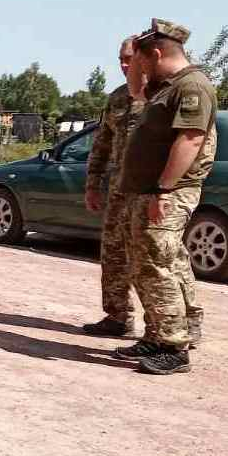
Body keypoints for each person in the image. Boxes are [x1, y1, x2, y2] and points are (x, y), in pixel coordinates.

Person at [115, 19, 216, 375]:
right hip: (145, 191)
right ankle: (156, 335)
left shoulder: (192, 86)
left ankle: (174, 347)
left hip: (168, 192)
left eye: (142, 61)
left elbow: (190, 139)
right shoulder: (165, 87)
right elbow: (136, 92)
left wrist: (164, 188)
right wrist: (136, 60)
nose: (138, 68)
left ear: (157, 54)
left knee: (158, 265)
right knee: (143, 266)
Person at [82, 37, 145, 338]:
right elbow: (102, 145)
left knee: (160, 257)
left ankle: (182, 323)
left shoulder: (164, 95)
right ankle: (118, 316)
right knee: (113, 253)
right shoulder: (118, 98)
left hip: (150, 191)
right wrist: (93, 184)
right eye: (120, 58)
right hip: (119, 190)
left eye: (129, 58)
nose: (123, 64)